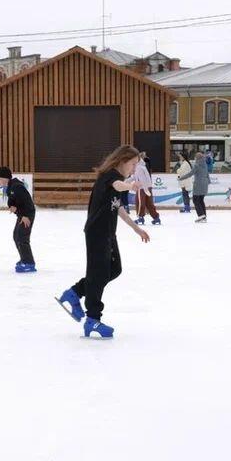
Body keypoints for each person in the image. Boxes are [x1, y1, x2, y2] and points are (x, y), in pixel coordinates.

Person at [55, 145, 151, 339]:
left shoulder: (116, 177)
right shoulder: (110, 176)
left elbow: (118, 207)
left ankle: (75, 292)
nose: (133, 169)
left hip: (108, 233)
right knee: (98, 274)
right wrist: (130, 186)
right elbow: (118, 186)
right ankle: (92, 318)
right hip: (97, 233)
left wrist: (136, 228)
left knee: (114, 269)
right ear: (123, 161)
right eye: (133, 164)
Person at [0, 166, 36, 273]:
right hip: (21, 215)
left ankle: (29, 263)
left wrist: (26, 216)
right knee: (16, 235)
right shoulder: (10, 187)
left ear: (5, 178)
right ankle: (24, 258)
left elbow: (28, 202)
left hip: (27, 214)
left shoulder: (17, 187)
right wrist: (11, 206)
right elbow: (11, 200)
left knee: (22, 237)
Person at [178, 152, 210, 223]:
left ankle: (201, 216)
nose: (195, 158)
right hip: (204, 185)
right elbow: (207, 174)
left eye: (195, 157)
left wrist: (181, 178)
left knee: (195, 200)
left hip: (198, 185)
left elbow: (190, 174)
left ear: (197, 158)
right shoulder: (205, 165)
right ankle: (204, 216)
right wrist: (208, 182)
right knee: (201, 200)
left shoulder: (197, 165)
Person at [133, 152, 160, 226]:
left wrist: (145, 189)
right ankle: (156, 218)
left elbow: (142, 179)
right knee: (149, 203)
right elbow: (135, 177)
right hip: (148, 186)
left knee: (139, 202)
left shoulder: (138, 167)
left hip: (142, 187)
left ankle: (140, 217)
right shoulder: (142, 166)